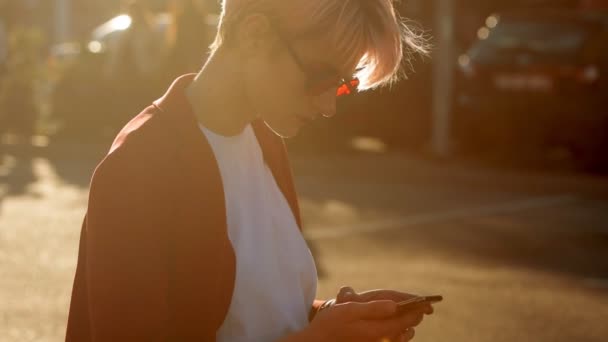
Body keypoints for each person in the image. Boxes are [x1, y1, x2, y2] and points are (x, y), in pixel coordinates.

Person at [65, 0, 433, 341]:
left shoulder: (265, 141)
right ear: (254, 34)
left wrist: (337, 317)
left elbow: (251, 317)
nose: (327, 106)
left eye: (342, 85)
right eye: (321, 77)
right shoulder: (139, 166)